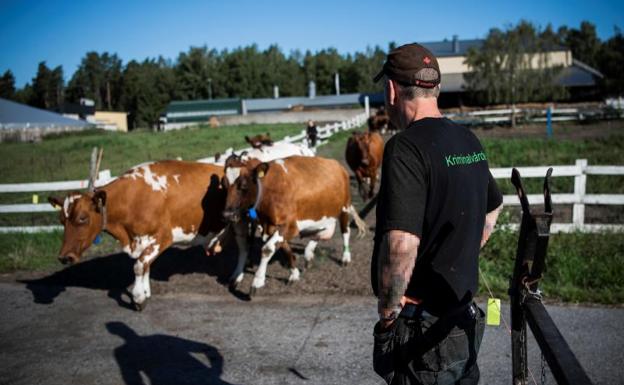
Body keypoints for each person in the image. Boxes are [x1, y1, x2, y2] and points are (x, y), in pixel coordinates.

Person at [370, 43, 503, 385]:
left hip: (421, 324)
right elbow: (494, 206)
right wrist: (466, 245)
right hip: (462, 317)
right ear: (436, 87)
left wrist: (388, 315)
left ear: (391, 89)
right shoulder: (467, 140)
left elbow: (400, 246)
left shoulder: (405, 148)